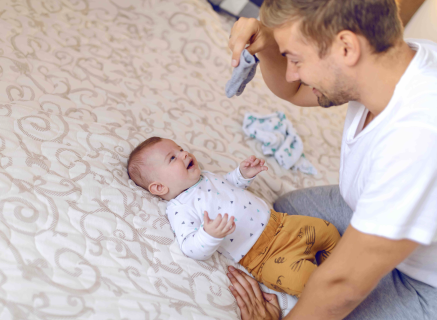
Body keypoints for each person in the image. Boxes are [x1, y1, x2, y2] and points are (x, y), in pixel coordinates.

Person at [225, 0, 437, 319]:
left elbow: (343, 285)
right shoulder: (395, 59)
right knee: (287, 212)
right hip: (390, 224)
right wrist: (269, 45)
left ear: (346, 48)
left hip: (427, 283)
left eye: (296, 59)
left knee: (333, 298)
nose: (292, 71)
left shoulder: (418, 136)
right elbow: (294, 90)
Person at [127, 137, 340, 298]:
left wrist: (242, 174)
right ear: (159, 187)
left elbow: (229, 185)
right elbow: (190, 246)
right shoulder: (179, 208)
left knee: (327, 230)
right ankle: (335, 287)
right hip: (263, 257)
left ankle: (336, 264)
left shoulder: (206, 176)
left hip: (283, 224)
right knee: (304, 280)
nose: (184, 154)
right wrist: (208, 235)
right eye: (172, 158)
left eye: (180, 149)